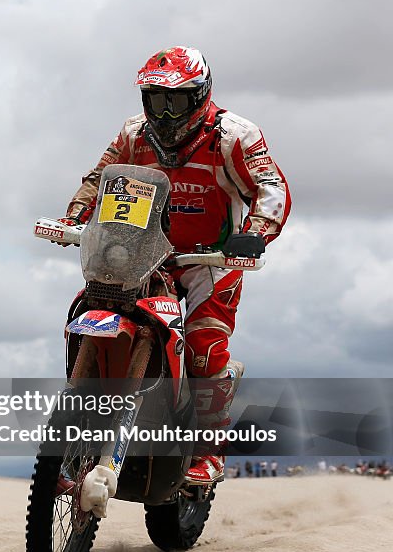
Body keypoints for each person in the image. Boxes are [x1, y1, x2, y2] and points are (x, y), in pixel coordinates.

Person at [58, 46, 292, 485]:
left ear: (200, 94)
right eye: (155, 99)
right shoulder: (134, 133)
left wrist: (257, 232)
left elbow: (271, 186)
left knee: (204, 347)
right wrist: (75, 215)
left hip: (211, 260)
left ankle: (209, 453)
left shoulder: (235, 136)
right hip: (144, 255)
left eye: (176, 100)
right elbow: (99, 176)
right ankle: (82, 426)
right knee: (84, 311)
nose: (164, 113)